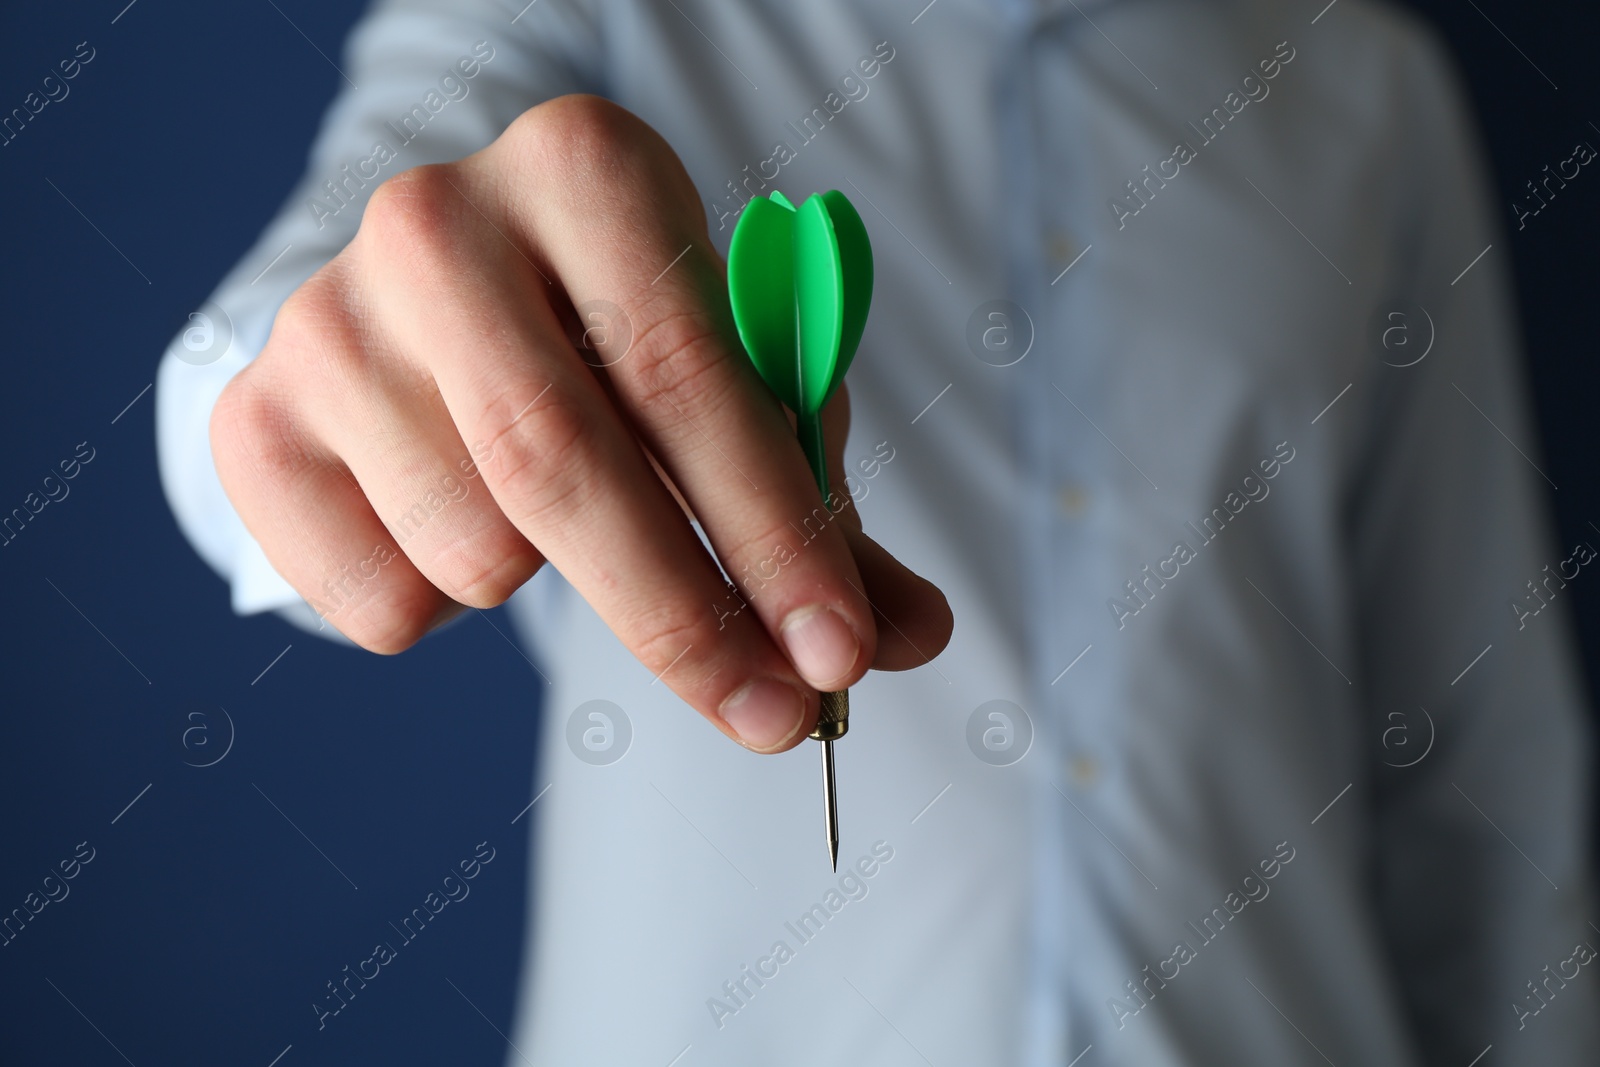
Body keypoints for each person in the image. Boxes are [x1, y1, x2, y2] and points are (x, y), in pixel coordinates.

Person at [156, 0, 1598, 1062]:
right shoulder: (579, 16)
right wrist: (300, 409)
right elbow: (305, 327)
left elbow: (1479, 756)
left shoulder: (1367, 86)